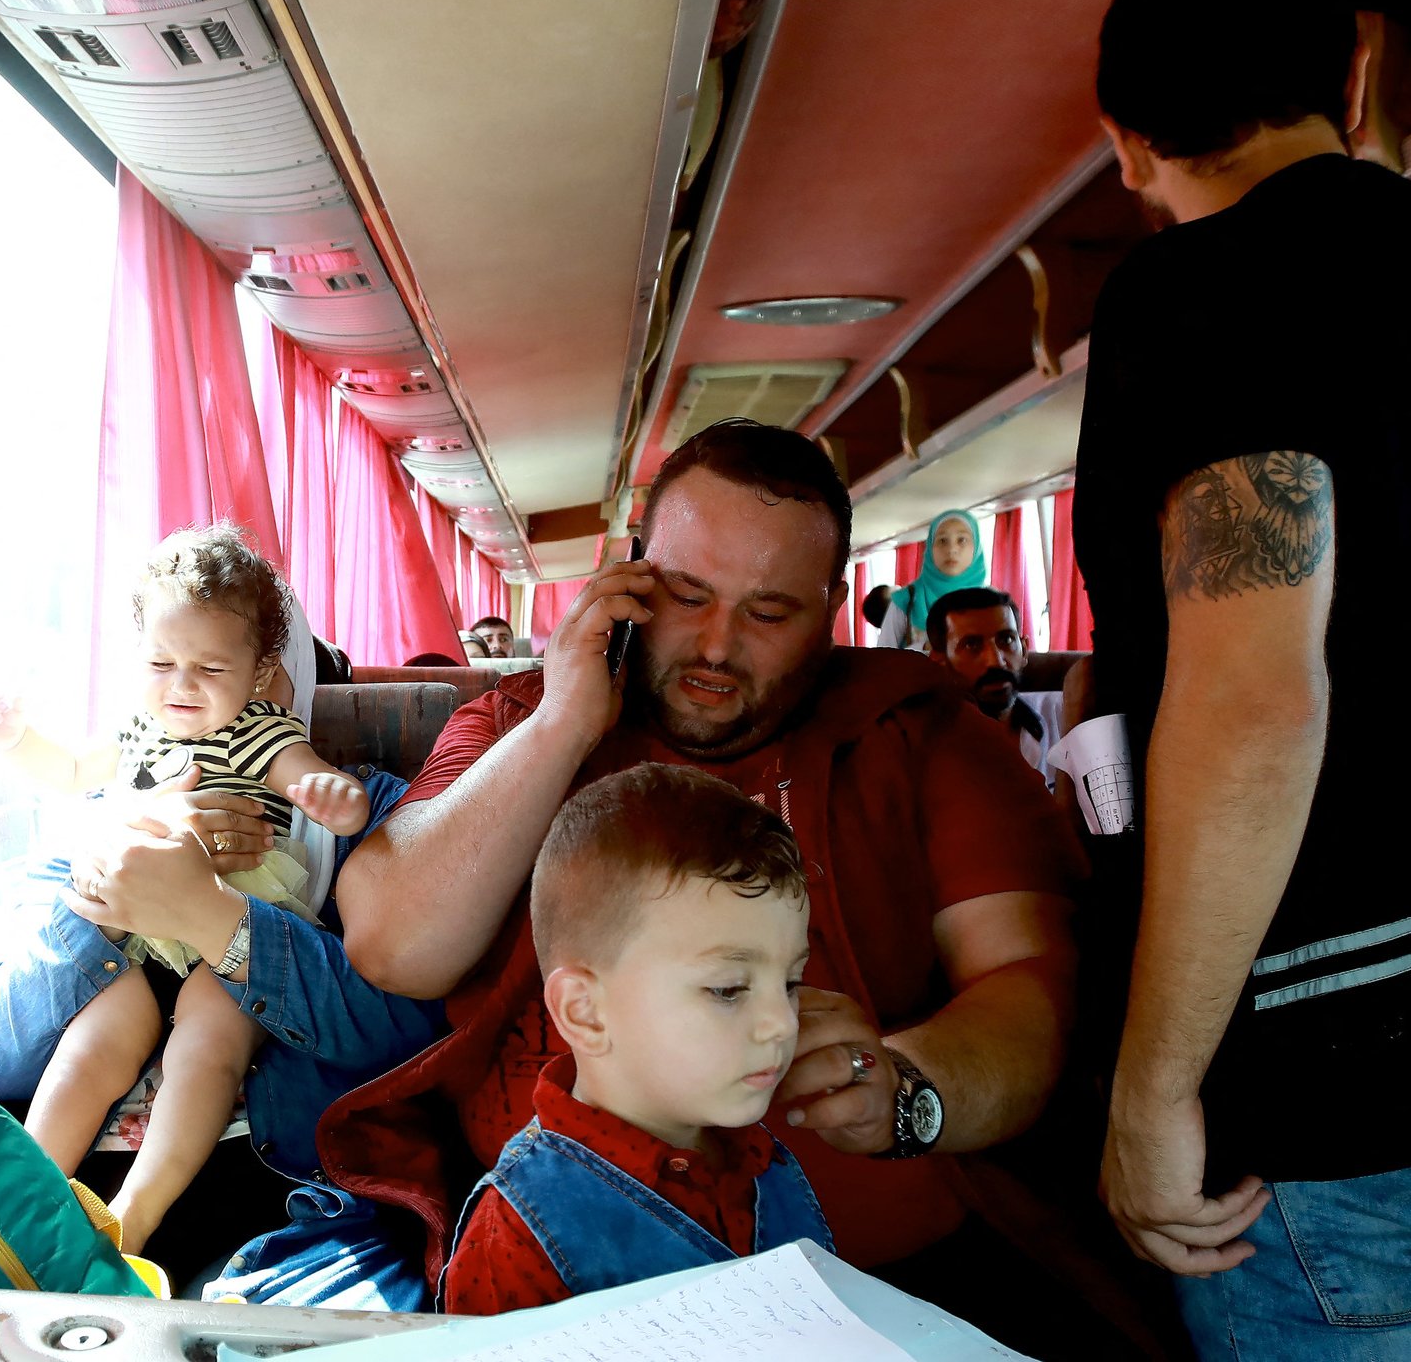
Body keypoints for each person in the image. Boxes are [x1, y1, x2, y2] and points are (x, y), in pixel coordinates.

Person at [328, 420, 1087, 1347]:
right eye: (686, 595)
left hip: (886, 1287)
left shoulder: (922, 732)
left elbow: (1029, 984)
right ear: (633, 578)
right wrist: (565, 725)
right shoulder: (523, 720)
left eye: (770, 613)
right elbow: (393, 946)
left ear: (832, 606)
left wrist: (908, 1089)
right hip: (574, 1276)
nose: (717, 648)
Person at [1074, 0, 1411, 1360]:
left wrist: (1155, 1090)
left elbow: (1257, 693)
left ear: (1128, 141)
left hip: (1339, 1095)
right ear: (1357, 70)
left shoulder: (1197, 299)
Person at [0, 590, 447, 1306]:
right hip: (100, 1081)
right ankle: (15, 1208)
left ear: (271, 685)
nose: (185, 690)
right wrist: (114, 868)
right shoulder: (111, 799)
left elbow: (405, 1029)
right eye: (164, 665)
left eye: (214, 668)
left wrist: (218, 919)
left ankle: (124, 1229)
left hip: (271, 1195)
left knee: (210, 1031)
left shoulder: (365, 817)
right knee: (96, 1039)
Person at [442, 764, 831, 1313]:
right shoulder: (521, 1233)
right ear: (586, 1013)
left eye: (790, 982)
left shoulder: (761, 1163)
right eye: (727, 989)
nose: (784, 1022)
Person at [925, 587, 1064, 790]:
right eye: (972, 645)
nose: (996, 661)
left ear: (1024, 649)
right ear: (940, 662)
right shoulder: (924, 750)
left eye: (1006, 639)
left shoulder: (1063, 715)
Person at [876, 510, 986, 651]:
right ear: (930, 548)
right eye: (942, 540)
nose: (951, 549)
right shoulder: (906, 600)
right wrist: (925, 648)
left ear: (976, 546)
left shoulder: (991, 603)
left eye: (962, 540)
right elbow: (883, 656)